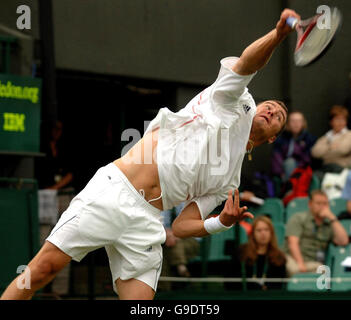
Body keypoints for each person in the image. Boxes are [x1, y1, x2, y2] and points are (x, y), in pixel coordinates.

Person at [1, 8, 299, 300]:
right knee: (41, 271)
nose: (273, 110)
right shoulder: (234, 99)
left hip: (147, 220)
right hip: (114, 191)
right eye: (270, 105)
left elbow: (182, 226)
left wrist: (220, 221)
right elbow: (248, 63)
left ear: (272, 137)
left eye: (280, 116)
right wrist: (278, 35)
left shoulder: (229, 182)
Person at [284, 190, 348, 277]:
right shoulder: (298, 218)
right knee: (295, 269)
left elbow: (343, 241)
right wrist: (300, 263)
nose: (322, 207)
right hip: (293, 259)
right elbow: (293, 243)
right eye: (318, 203)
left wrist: (332, 218)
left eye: (325, 204)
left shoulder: (329, 224)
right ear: (310, 204)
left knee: (324, 272)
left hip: (314, 263)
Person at [225, 216, 286, 291]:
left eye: (266, 230)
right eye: (259, 230)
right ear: (253, 234)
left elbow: (279, 285)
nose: (263, 233)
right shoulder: (241, 252)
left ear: (271, 233)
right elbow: (231, 280)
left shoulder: (279, 256)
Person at [159, 203, 200, 291]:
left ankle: (163, 290)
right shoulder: (160, 197)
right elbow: (157, 224)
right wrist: (167, 233)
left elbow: (193, 226)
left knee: (167, 247)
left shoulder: (192, 195)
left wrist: (173, 234)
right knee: (162, 250)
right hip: (166, 240)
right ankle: (181, 267)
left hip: (191, 239)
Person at [272, 111, 316, 182]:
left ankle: (290, 188)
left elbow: (308, 158)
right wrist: (280, 173)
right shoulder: (282, 139)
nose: (296, 124)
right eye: (293, 121)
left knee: (290, 162)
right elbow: (277, 157)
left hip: (302, 169)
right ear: (288, 123)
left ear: (303, 123)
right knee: (288, 163)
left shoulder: (309, 139)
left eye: (299, 121)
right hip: (283, 170)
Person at [311, 105, 351, 172]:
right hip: (326, 168)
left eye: (343, 119)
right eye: (337, 119)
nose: (340, 122)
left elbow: (343, 150)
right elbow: (314, 152)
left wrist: (324, 154)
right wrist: (330, 147)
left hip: (343, 168)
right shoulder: (326, 136)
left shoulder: (349, 134)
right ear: (331, 121)